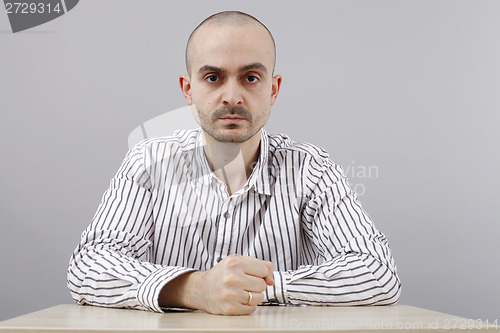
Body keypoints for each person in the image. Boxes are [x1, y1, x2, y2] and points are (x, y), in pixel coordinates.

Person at [67, 10, 401, 316]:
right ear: (188, 90)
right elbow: (89, 265)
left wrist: (255, 289)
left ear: (273, 89)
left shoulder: (310, 168)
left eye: (251, 77)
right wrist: (195, 288)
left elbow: (377, 272)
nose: (232, 97)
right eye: (213, 77)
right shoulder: (149, 162)